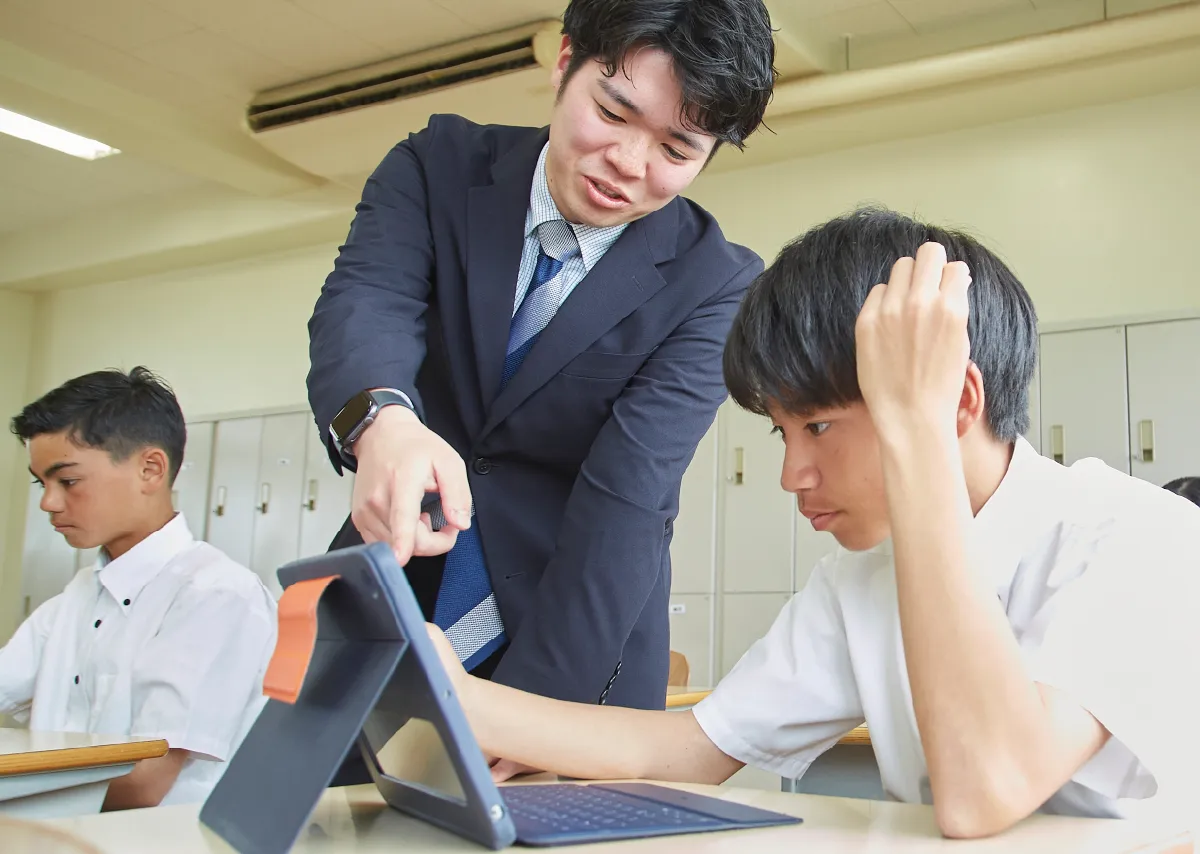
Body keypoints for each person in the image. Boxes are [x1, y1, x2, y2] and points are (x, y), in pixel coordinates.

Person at [426, 208, 1200, 837]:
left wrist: (917, 435)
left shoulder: (1139, 538)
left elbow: (986, 791)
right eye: (782, 433)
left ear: (955, 402)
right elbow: (690, 749)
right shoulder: (859, 578)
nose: (793, 475)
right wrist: (452, 690)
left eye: (820, 428)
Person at [307, 0, 776, 721]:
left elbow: (626, 498)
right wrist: (382, 424)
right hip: (395, 598)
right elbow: (365, 304)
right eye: (613, 114)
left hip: (575, 638)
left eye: (676, 151)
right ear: (565, 63)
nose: (628, 164)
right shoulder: (436, 167)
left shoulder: (715, 285)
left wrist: (538, 721)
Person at [2, 367, 277, 809]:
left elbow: (144, 783)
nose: (48, 503)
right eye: (42, 483)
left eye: (67, 481)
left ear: (150, 469)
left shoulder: (215, 596)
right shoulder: (78, 595)